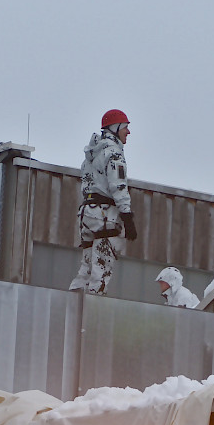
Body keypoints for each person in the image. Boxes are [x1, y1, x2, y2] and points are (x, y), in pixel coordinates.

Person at [69, 109, 138, 294]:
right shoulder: (114, 153)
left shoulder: (91, 155)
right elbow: (118, 185)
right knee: (102, 268)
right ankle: (92, 314)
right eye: (125, 127)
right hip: (104, 216)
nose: (128, 132)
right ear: (115, 128)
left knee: (86, 268)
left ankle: (71, 306)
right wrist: (127, 215)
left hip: (86, 215)